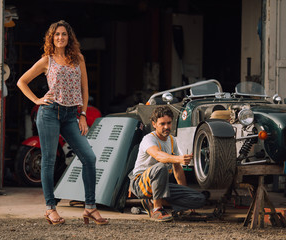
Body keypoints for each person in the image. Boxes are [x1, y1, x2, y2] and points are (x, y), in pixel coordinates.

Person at [17, 20, 108, 225]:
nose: (60, 37)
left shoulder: (78, 58)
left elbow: (85, 89)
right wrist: (37, 100)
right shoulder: (46, 61)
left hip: (70, 115)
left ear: (69, 37)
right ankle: (50, 209)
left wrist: (83, 114)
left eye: (64, 34)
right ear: (52, 38)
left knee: (89, 157)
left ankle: (90, 207)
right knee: (48, 161)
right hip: (49, 112)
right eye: (57, 34)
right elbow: (21, 81)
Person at [128, 106, 206, 222]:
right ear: (154, 124)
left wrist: (184, 196)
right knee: (161, 166)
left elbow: (178, 171)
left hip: (161, 185)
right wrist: (178, 158)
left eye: (169, 123)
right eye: (162, 124)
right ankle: (157, 209)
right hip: (140, 183)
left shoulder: (173, 140)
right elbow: (158, 156)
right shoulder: (148, 139)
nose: (166, 127)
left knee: (199, 199)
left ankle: (152, 201)